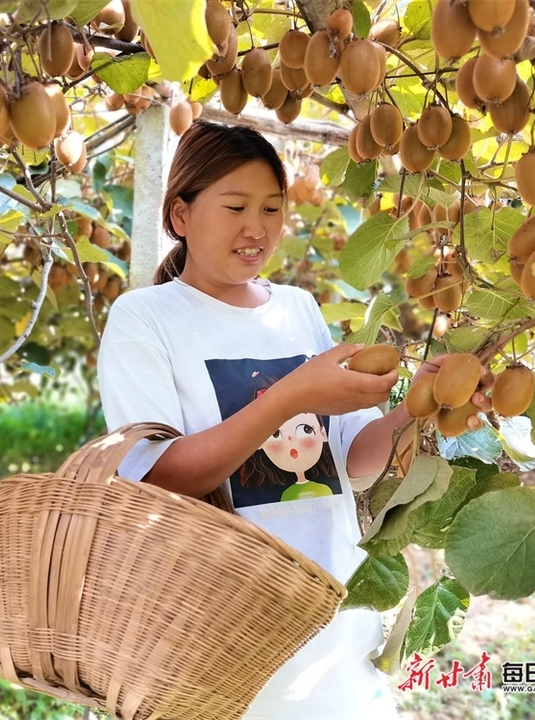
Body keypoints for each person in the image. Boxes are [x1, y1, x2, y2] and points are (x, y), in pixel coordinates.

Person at [96, 120, 492, 719]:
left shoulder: (299, 309)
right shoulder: (144, 318)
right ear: (180, 215)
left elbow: (350, 459)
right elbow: (154, 480)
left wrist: (421, 404)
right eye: (235, 207)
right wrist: (289, 395)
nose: (257, 228)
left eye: (272, 209)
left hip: (334, 615)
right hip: (220, 630)